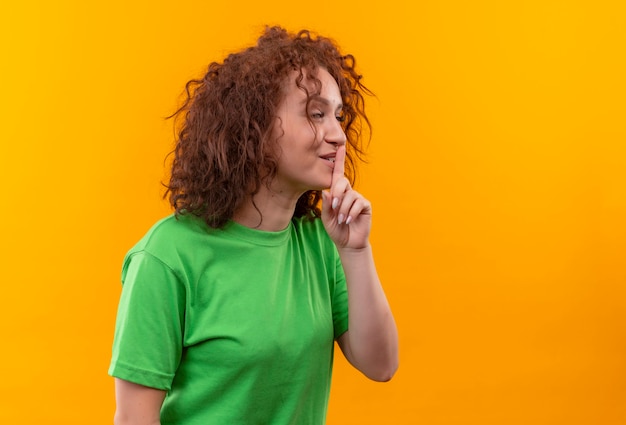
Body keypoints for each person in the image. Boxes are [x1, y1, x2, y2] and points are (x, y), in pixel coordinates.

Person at [109, 26, 398, 425]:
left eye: (338, 115)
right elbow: (133, 420)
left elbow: (380, 365)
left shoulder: (320, 241)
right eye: (316, 114)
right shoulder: (167, 256)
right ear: (254, 127)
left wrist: (355, 250)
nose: (336, 134)